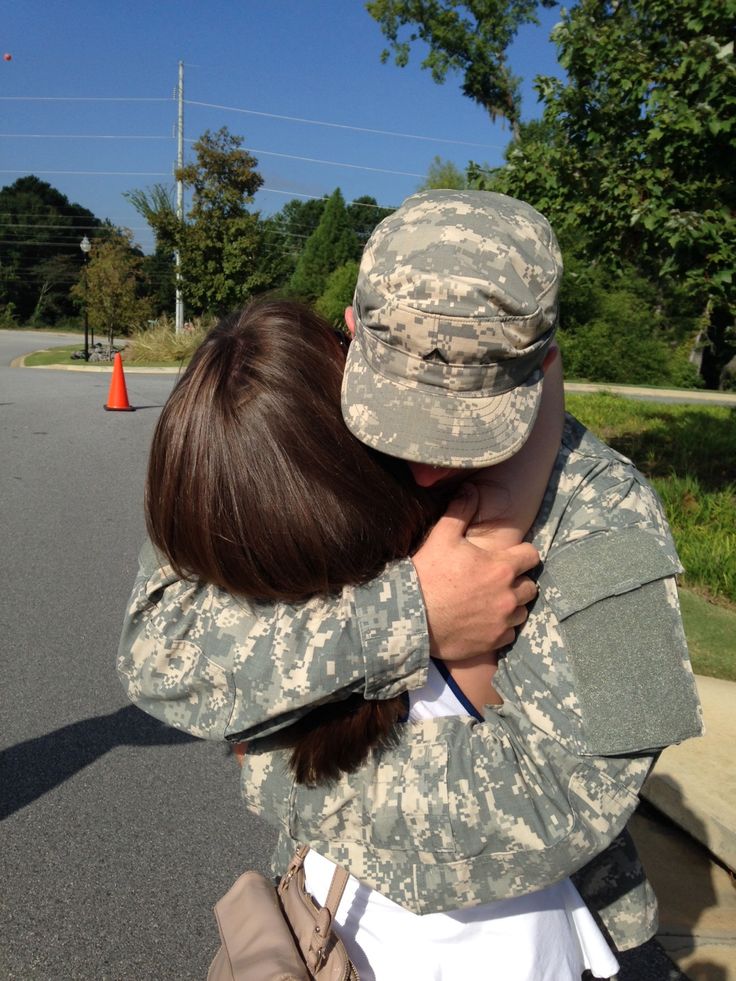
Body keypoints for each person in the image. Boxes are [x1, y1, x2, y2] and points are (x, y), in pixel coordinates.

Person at [118, 190, 702, 965]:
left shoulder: (608, 514)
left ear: (538, 373)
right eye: (399, 419)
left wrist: (274, 755)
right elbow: (160, 646)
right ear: (352, 337)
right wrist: (410, 613)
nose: (427, 463)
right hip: (331, 915)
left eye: (470, 425)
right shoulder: (307, 419)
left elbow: (560, 800)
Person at [136, 296, 617, 980]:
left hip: (340, 926)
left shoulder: (257, 654)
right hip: (500, 948)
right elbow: (541, 391)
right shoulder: (457, 560)